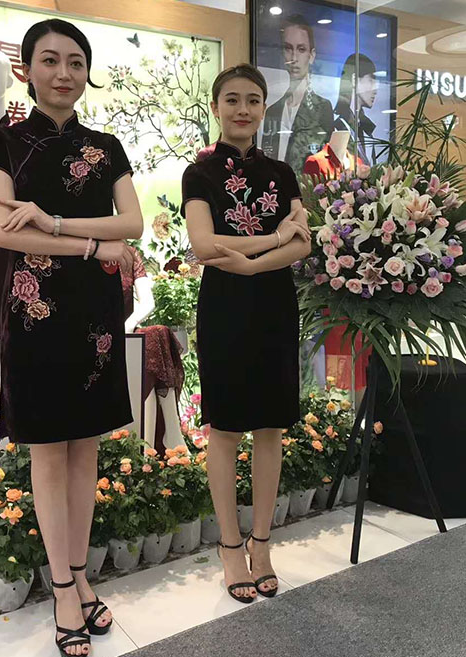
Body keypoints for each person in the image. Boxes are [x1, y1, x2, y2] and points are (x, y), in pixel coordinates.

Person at [0, 19, 143, 657]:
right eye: (49, 60)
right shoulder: (2, 142)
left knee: (86, 446)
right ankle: (64, 589)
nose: (64, 73)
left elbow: (133, 221)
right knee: (49, 450)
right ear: (26, 69)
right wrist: (93, 246)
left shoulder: (106, 145)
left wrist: (51, 221)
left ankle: (78, 573)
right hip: (35, 311)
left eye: (76, 61)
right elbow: (2, 232)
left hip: (96, 314)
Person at [182, 64, 311, 604]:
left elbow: (303, 243)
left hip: (273, 306)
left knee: (270, 428)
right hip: (225, 309)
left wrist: (253, 261)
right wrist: (273, 239)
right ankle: (230, 546)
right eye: (232, 99)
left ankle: (262, 542)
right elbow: (203, 246)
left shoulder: (282, 173)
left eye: (253, 100)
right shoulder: (199, 174)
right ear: (216, 107)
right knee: (226, 429)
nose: (242, 109)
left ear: (263, 109)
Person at [262, 14, 334, 174]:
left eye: (301, 49)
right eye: (288, 48)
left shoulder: (322, 108)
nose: (294, 58)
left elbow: (327, 162)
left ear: (311, 55)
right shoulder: (273, 111)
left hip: (308, 188)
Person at [334, 53, 378, 165]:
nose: (375, 89)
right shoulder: (338, 128)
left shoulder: (366, 129)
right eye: (371, 80)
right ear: (354, 80)